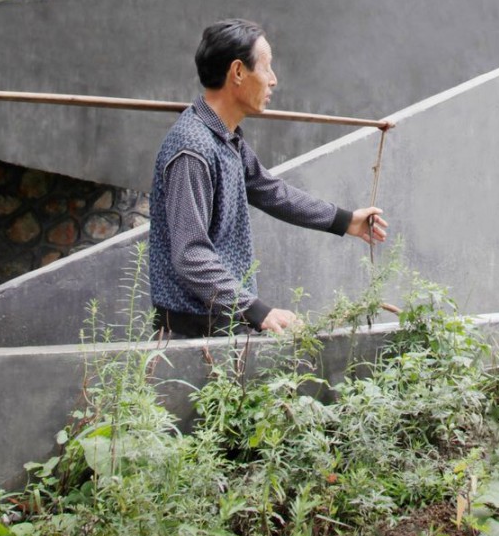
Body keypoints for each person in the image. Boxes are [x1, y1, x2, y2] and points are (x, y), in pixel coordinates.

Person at [149, 19, 388, 338]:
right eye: (266, 68)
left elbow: (272, 192)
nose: (273, 80)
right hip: (193, 337)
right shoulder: (193, 148)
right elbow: (190, 255)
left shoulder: (224, 137)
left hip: (224, 325)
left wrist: (345, 221)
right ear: (237, 72)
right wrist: (258, 311)